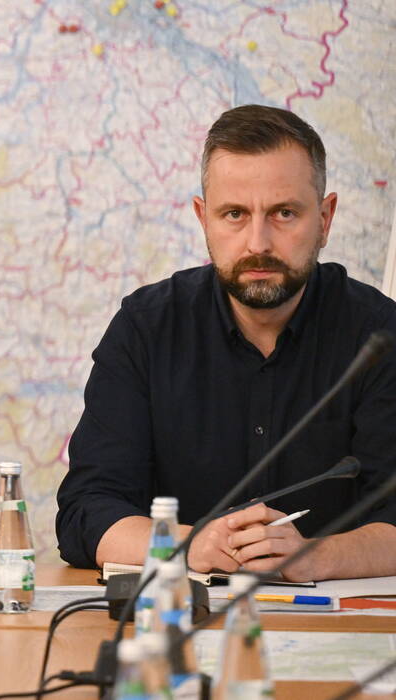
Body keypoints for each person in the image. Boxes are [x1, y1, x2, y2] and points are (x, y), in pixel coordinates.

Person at [56, 104, 396, 582]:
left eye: (283, 213)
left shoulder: (381, 337)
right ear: (203, 218)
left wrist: (314, 556)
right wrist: (189, 544)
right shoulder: (145, 328)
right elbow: (86, 512)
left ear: (325, 217)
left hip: (338, 629)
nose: (258, 242)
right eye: (234, 214)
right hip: (177, 623)